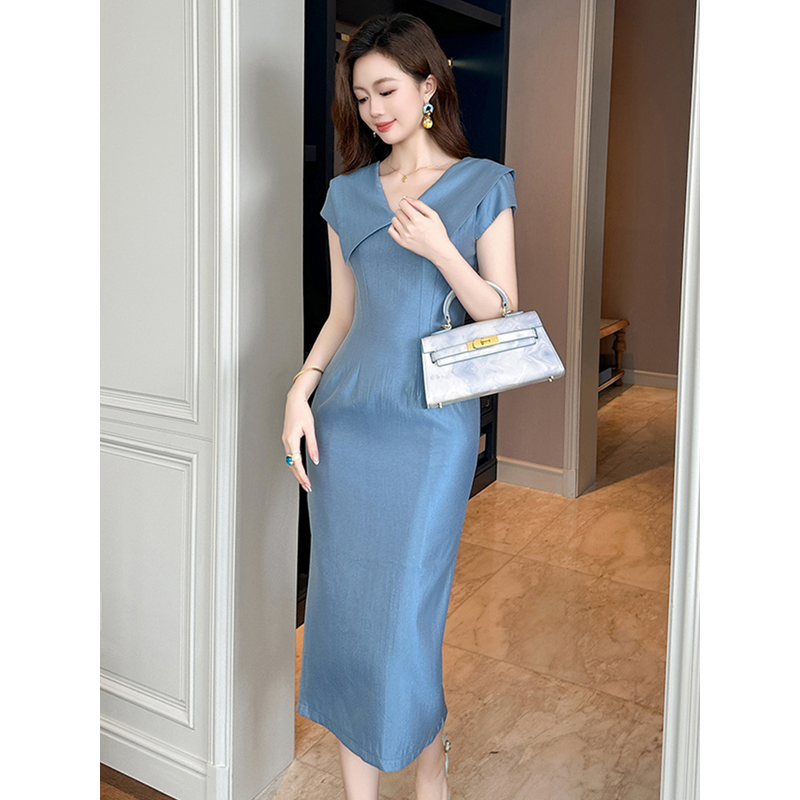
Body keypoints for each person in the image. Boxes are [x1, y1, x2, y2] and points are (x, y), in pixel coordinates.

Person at [282, 13, 518, 800]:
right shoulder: (346, 195)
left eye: (386, 90)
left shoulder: (483, 183)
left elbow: (501, 315)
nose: (374, 109)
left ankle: (428, 761)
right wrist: (300, 390)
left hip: (431, 432)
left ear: (428, 85)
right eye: (360, 97)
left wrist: (442, 249)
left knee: (406, 619)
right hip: (346, 425)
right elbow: (342, 316)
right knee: (346, 615)